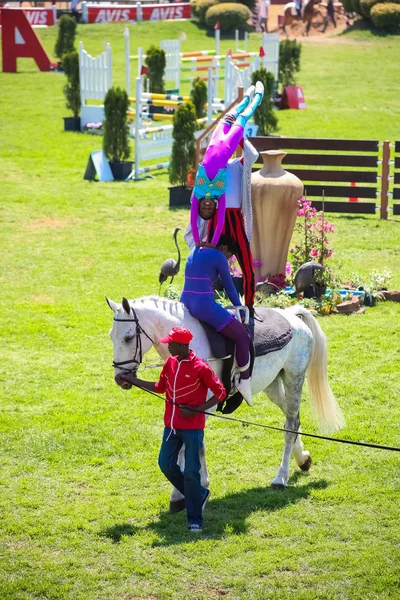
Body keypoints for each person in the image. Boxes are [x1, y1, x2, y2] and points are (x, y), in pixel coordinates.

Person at [115, 326, 226, 534]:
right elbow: (159, 387)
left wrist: (196, 410)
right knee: (165, 464)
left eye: (171, 343)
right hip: (171, 427)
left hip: (192, 429)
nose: (167, 344)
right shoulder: (170, 363)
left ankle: (195, 519)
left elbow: (221, 393)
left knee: (192, 472)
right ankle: (199, 494)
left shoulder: (201, 367)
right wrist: (131, 380)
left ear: (182, 345)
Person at [189, 82, 264, 250]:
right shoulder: (220, 193)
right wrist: (213, 242)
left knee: (231, 114)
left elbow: (193, 220)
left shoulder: (198, 193)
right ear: (214, 206)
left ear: (199, 205)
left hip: (215, 139)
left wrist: (197, 240)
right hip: (228, 144)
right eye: (210, 209)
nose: (207, 206)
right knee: (243, 117)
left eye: (204, 208)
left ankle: (246, 97)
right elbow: (221, 219)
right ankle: (258, 97)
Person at [180, 236, 253, 406]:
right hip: (203, 305)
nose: (227, 260)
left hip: (185, 302)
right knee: (242, 336)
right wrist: (240, 309)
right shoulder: (218, 256)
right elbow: (229, 287)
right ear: (224, 247)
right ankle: (245, 381)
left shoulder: (194, 250)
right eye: (229, 256)